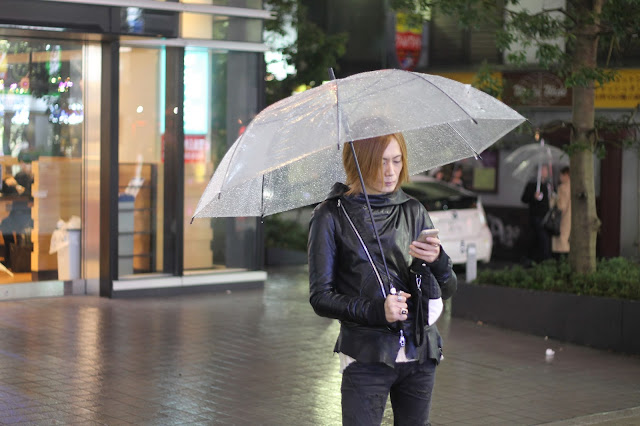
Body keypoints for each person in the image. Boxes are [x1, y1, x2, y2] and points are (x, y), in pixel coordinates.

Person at [308, 133, 457, 425]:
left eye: (397, 161)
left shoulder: (413, 210)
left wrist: (438, 260)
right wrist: (378, 310)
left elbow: (448, 288)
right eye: (380, 162)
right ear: (359, 163)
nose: (391, 171)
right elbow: (320, 297)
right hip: (366, 355)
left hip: (420, 352)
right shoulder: (330, 216)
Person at [520, 164, 552, 263]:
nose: (545, 172)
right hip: (536, 216)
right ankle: (545, 260)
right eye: (542, 170)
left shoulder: (547, 185)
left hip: (546, 217)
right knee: (543, 238)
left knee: (538, 238)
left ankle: (534, 259)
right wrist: (533, 196)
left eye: (546, 170)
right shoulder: (532, 184)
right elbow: (524, 199)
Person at [552, 166, 571, 258]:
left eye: (561, 175)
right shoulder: (574, 186)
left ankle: (561, 262)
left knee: (561, 242)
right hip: (571, 217)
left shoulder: (562, 188)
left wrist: (554, 199)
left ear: (566, 175)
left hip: (563, 218)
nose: (560, 178)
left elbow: (561, 206)